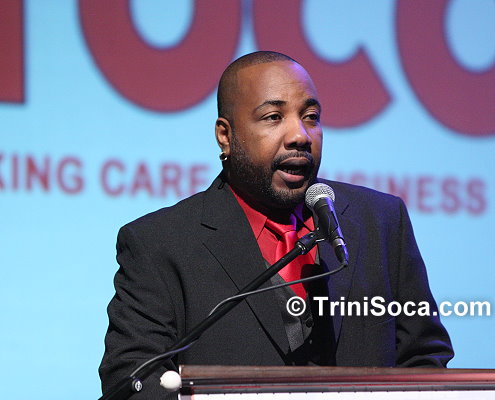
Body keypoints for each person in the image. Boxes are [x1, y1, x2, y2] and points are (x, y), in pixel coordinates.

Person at [99, 51, 453, 398]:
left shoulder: (380, 221)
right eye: (273, 117)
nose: (300, 135)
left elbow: (424, 360)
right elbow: (133, 380)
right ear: (225, 135)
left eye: (311, 117)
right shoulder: (160, 243)